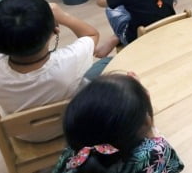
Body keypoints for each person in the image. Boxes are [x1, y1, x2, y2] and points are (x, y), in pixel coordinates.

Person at [0, 0, 101, 141]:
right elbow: (92, 34)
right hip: (67, 126)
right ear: (55, 31)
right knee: (105, 63)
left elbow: (6, 37)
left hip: (22, 134)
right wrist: (62, 16)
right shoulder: (71, 60)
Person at [53, 74, 184, 173]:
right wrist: (150, 129)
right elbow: (173, 166)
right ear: (145, 121)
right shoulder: (154, 153)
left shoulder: (77, 152)